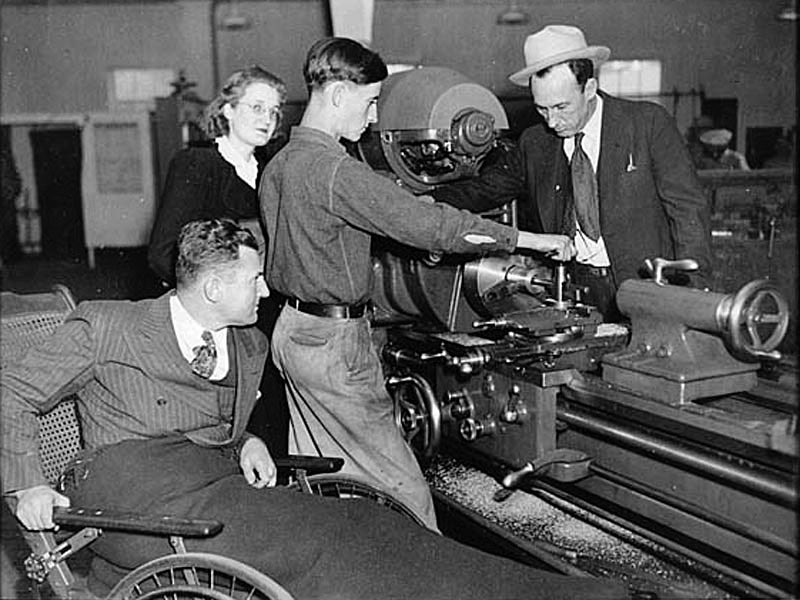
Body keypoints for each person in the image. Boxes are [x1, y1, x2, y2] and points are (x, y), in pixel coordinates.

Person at [2, 218, 629, 600]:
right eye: (254, 280)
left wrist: (244, 439)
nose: (267, 290)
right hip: (133, 491)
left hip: (212, 485)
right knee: (331, 544)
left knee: (371, 527)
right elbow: (11, 395)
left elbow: (223, 420)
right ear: (215, 287)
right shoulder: (108, 326)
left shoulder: (247, 342)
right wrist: (28, 483)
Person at [259, 36, 575, 532]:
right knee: (404, 491)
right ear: (338, 95)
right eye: (367, 104)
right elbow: (439, 229)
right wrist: (531, 240)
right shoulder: (337, 172)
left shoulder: (279, 164)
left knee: (325, 481)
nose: (368, 119)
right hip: (335, 346)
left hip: (292, 333)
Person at [432, 25, 713, 320]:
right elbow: (486, 189)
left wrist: (691, 292)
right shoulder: (535, 143)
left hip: (646, 288)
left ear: (589, 89)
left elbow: (687, 210)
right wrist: (422, 198)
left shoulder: (646, 124)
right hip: (576, 290)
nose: (553, 121)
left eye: (561, 107)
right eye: (542, 110)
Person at [147, 65, 289, 455]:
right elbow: (164, 253)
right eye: (257, 107)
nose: (267, 119)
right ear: (227, 109)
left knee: (269, 429)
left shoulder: (272, 172)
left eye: (274, 111)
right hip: (220, 320)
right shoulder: (198, 165)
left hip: (265, 316)